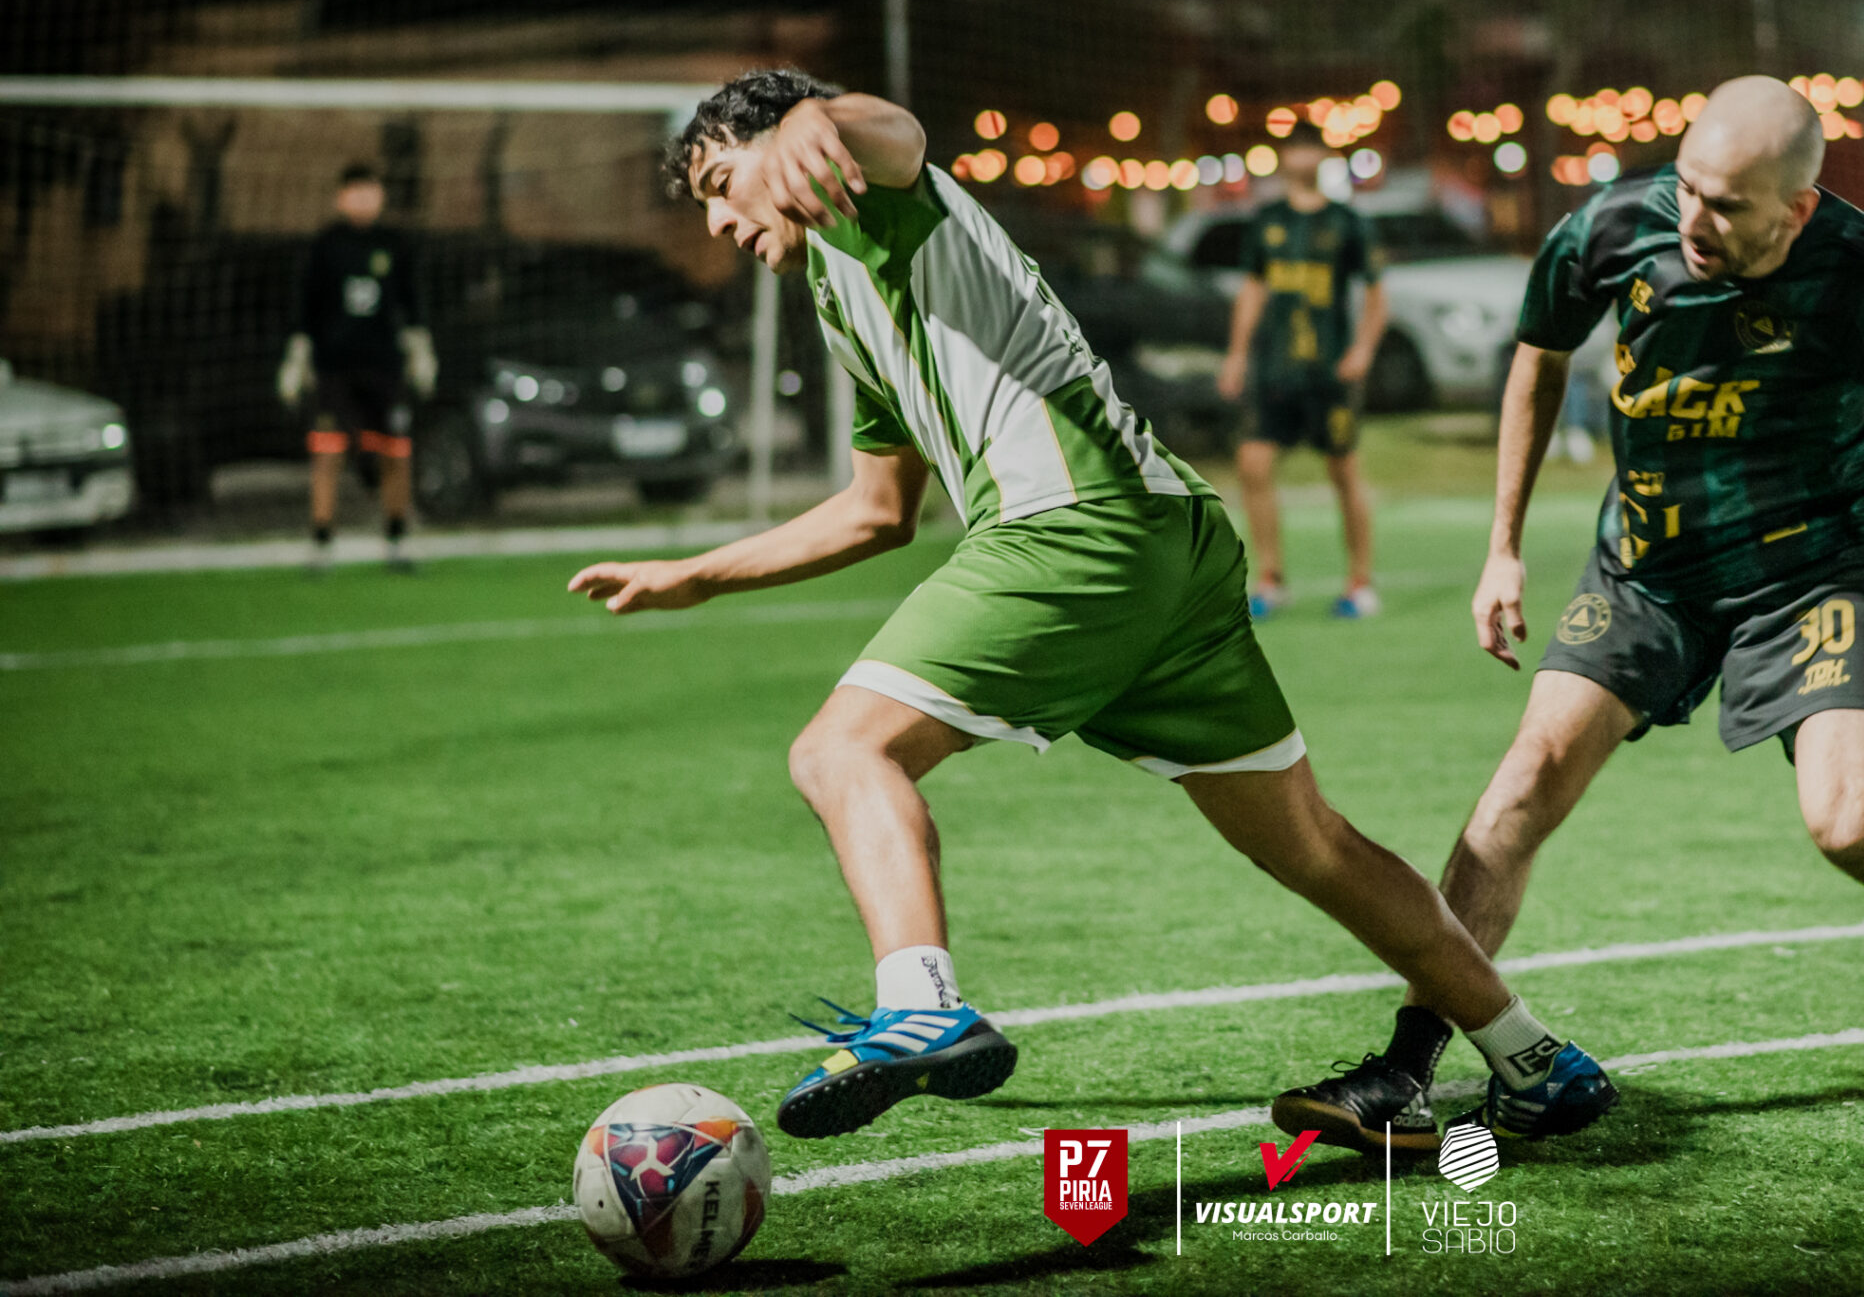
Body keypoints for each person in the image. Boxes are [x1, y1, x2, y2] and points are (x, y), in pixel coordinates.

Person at [568, 70, 1616, 1149]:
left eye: (720, 182)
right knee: (1313, 844)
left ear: (780, 145)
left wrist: (809, 116)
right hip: (1166, 541)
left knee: (841, 751)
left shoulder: (875, 194)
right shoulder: (842, 293)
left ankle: (921, 1003)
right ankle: (1533, 1057)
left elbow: (899, 132)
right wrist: (699, 573)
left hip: (1074, 528)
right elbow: (877, 511)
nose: (717, 220)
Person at [1270, 76, 1864, 1149]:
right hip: (1647, 568)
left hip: (1810, 575)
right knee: (1520, 788)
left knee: (1850, 825)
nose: (1693, 218)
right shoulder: (1611, 226)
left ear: (1797, 208)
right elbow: (1538, 358)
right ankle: (1409, 1066)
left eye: (1727, 204)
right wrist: (1501, 546)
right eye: (1686, 187)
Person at [1216, 133, 1391, 620]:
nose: (1302, 157)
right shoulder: (1267, 220)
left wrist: (1363, 349)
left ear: (1325, 158)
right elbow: (1253, 289)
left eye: (1312, 149)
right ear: (1282, 157)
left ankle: (1360, 581)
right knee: (1253, 464)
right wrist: (1236, 354)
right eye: (1295, 149)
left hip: (1329, 370)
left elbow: (1377, 293)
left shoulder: (1346, 221)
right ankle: (1270, 579)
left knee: (1343, 470)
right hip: (1276, 369)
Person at [276, 162, 436, 573]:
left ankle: (397, 542)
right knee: (327, 454)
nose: (364, 199)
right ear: (341, 197)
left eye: (371, 191)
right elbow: (305, 307)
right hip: (334, 370)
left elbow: (413, 303)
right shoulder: (325, 245)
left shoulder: (395, 244)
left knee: (395, 453)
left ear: (381, 197)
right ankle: (321, 544)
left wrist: (421, 350)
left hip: (385, 369)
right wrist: (297, 356)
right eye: (356, 192)